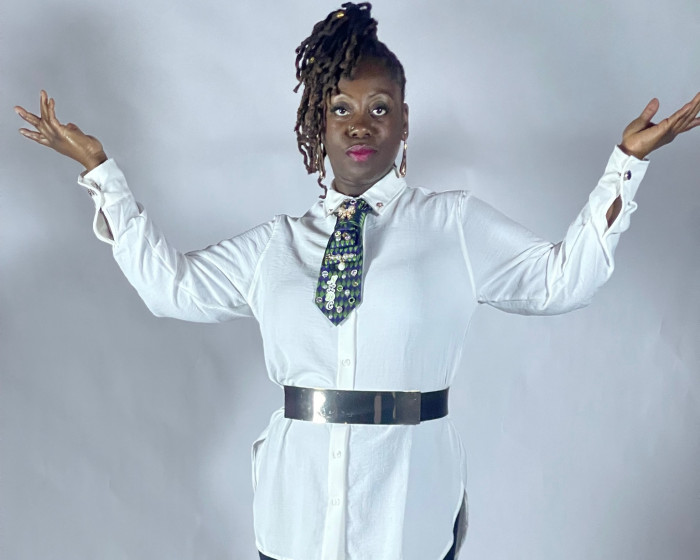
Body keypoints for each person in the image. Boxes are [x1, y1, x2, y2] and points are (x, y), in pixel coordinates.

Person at [14, 3, 700, 559]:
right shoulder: (276, 246)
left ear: (404, 120)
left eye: (379, 107)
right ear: (319, 122)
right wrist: (102, 173)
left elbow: (561, 281)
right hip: (295, 520)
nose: (360, 125)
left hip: (408, 520)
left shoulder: (453, 226)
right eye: (340, 108)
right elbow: (170, 289)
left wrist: (626, 165)